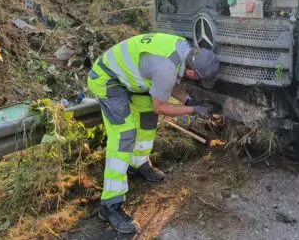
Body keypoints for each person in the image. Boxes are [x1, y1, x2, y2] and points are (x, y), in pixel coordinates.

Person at [87, 32, 220, 233]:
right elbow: (162, 106)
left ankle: (137, 164)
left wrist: (189, 100)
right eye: (199, 79)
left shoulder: (182, 49)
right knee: (125, 134)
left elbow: (166, 81)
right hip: (108, 79)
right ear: (192, 72)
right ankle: (110, 205)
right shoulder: (166, 68)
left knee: (148, 120)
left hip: (133, 79)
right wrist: (194, 110)